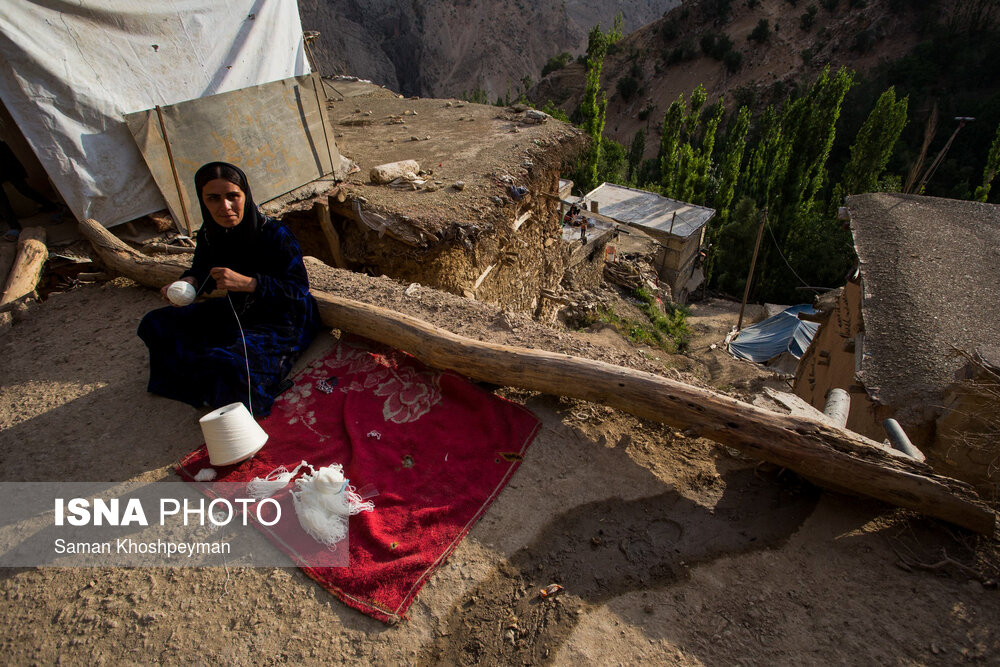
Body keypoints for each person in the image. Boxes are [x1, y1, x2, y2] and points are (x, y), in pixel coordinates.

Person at [137, 162, 322, 416]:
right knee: (156, 323)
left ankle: (229, 385)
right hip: (239, 311)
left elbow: (298, 289)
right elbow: (202, 269)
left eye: (232, 196)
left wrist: (248, 283)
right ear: (203, 201)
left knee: (229, 363)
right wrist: (188, 282)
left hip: (285, 320)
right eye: (213, 198)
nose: (225, 207)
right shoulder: (209, 234)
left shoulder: (275, 234)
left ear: (245, 195)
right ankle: (199, 384)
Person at [0, 139, 59, 240]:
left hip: (6, 163)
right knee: (1, 201)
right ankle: (14, 227)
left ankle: (55, 208)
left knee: (24, 190)